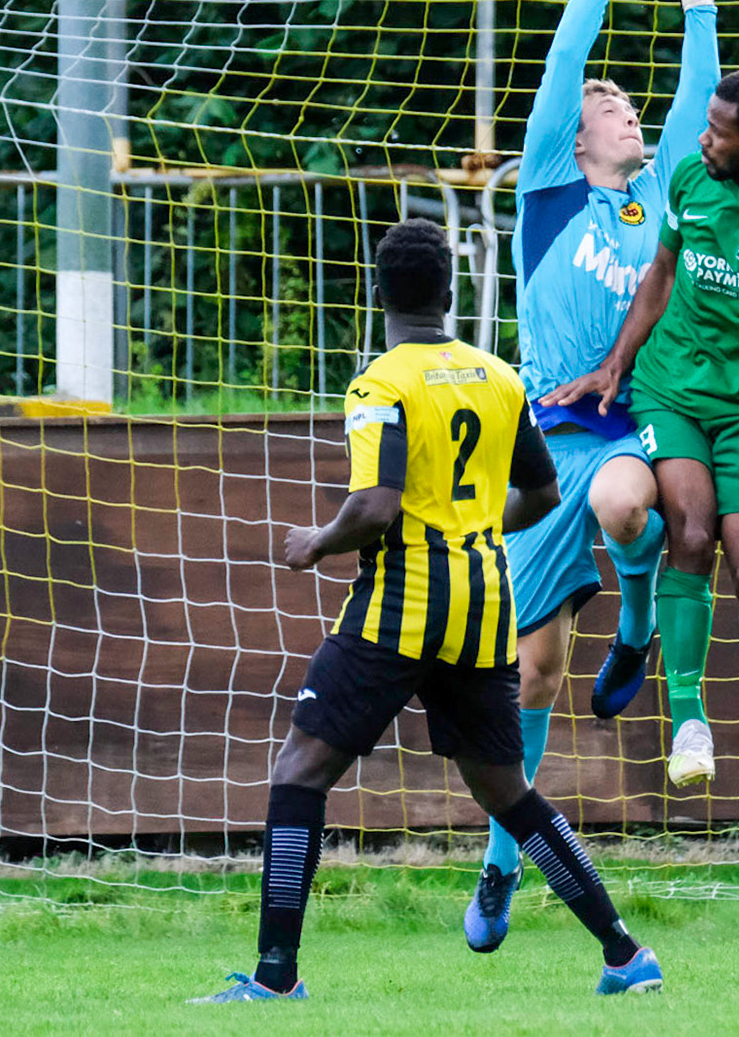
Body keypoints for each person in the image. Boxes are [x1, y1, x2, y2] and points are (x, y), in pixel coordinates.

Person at [192, 219, 663, 1003]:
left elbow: (376, 507)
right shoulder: (499, 378)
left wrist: (316, 542)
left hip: (403, 603)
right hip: (484, 603)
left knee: (300, 772)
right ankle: (625, 954)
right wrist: (469, 525)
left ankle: (275, 978)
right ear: (448, 293)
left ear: (378, 293)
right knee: (508, 791)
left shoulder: (380, 385)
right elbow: (543, 493)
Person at [465, 0, 720, 951]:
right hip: (542, 450)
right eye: (609, 106)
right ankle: (499, 864)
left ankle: (638, 624)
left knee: (630, 505)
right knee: (531, 672)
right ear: (575, 136)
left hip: (625, 433)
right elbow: (563, 71)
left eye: (626, 103)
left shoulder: (659, 195)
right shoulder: (549, 196)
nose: (624, 109)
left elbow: (699, 98)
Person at [545, 65, 739, 841]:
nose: (702, 139)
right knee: (689, 533)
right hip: (670, 390)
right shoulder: (691, 180)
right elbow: (662, 273)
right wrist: (616, 362)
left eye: (718, 131)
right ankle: (688, 721)